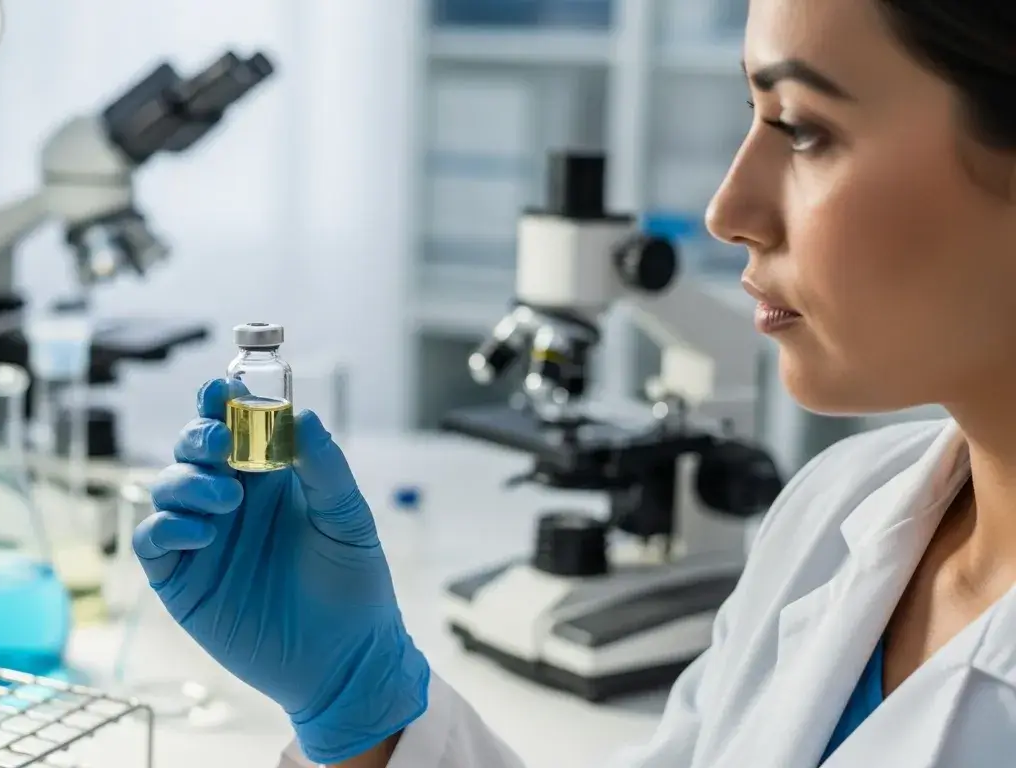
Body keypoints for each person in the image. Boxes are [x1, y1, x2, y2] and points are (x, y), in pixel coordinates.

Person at [132, 0, 1016, 765]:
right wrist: (362, 706)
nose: (727, 211)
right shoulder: (839, 509)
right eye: (751, 115)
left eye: (804, 128)